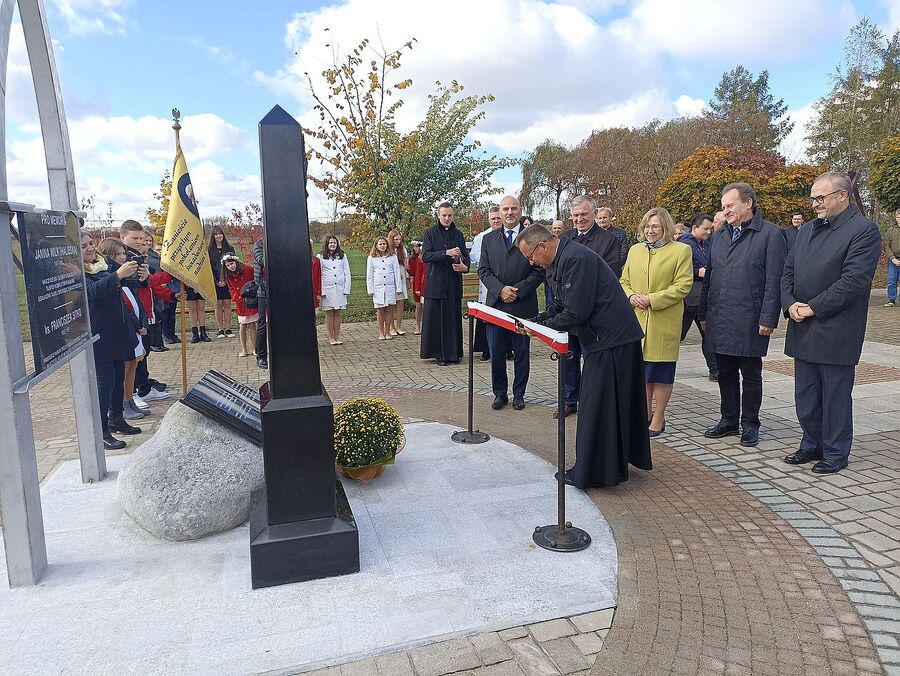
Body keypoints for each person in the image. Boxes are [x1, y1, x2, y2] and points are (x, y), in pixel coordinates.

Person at [518, 225, 651, 488]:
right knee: (607, 406)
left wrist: (541, 329)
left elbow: (577, 312)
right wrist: (536, 321)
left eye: (530, 256)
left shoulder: (575, 259)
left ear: (542, 246)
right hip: (609, 340)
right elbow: (561, 304)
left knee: (595, 408)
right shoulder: (564, 259)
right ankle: (611, 464)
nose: (531, 262)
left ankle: (592, 472)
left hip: (612, 341)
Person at [782, 172, 882, 474]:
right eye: (813, 198)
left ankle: (836, 452)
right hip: (802, 323)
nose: (814, 204)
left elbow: (853, 282)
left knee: (835, 395)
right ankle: (810, 443)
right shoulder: (807, 230)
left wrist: (812, 307)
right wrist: (789, 305)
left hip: (837, 328)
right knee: (806, 394)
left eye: (820, 197)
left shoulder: (864, 231)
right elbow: (787, 272)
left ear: (843, 195)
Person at [699, 182, 787, 447]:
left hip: (750, 317)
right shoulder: (719, 235)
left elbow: (774, 280)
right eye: (723, 207)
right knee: (724, 371)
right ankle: (728, 419)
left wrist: (768, 318)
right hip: (720, 316)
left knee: (750, 373)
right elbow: (711, 277)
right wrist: (704, 314)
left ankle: (750, 423)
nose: (725, 211)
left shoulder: (771, 234)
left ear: (748, 203)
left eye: (730, 205)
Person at [621, 208, 693, 436]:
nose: (650, 231)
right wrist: (631, 296)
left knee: (660, 373)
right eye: (647, 226)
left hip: (663, 320)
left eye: (655, 227)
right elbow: (624, 280)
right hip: (637, 322)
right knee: (642, 373)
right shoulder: (635, 250)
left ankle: (659, 418)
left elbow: (683, 285)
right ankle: (644, 414)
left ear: (666, 228)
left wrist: (652, 299)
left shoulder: (681, 250)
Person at [553, 196, 622, 419]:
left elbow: (611, 271)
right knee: (568, 358)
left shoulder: (608, 240)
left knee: (593, 363)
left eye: (584, 214)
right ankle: (569, 400)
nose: (579, 219)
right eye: (575, 215)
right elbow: (552, 270)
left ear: (593, 214)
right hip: (568, 310)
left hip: (593, 315)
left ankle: (594, 405)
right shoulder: (564, 238)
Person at [478, 195, 545, 411]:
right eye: (505, 209)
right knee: (496, 353)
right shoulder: (489, 239)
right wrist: (500, 290)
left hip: (522, 305)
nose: (509, 213)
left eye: (513, 208)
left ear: (520, 210)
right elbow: (483, 270)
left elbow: (538, 270)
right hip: (496, 306)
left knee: (521, 353)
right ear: (499, 212)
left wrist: (518, 291)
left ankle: (519, 394)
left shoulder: (530, 238)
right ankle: (500, 394)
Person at [82, 232, 143, 449]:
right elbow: (93, 291)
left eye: (91, 243)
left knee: (118, 379)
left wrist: (140, 277)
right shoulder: (75, 271)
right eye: (83, 246)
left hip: (117, 331)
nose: (90, 248)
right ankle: (102, 431)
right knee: (104, 385)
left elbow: (123, 281)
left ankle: (117, 419)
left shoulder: (102, 263)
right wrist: (117, 276)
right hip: (99, 335)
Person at [97, 238, 148, 421]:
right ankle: (118, 410)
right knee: (117, 375)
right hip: (117, 331)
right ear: (107, 256)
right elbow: (123, 306)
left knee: (129, 368)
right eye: (118, 254)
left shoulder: (121, 276)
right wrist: (137, 324)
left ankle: (126, 403)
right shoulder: (105, 275)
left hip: (128, 330)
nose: (122, 257)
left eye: (123, 254)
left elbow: (136, 295)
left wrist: (143, 278)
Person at [420, 202, 470, 365]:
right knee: (437, 321)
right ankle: (439, 354)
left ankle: (454, 354)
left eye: (449, 215)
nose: (447, 218)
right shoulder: (430, 233)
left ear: (453, 216)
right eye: (444, 215)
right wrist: (445, 253)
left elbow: (466, 258)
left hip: (453, 284)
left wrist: (464, 267)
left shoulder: (459, 235)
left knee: (453, 320)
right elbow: (426, 256)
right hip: (436, 283)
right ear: (438, 216)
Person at [678, 213, 718, 380]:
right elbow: (679, 267)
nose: (709, 232)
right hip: (688, 298)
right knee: (677, 334)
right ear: (694, 228)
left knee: (708, 335)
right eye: (705, 229)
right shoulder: (684, 244)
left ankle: (715, 369)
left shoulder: (705, 244)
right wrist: (697, 271)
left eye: (711, 229)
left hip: (703, 297)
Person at [469, 206, 502, 360]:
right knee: (488, 315)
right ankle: (486, 348)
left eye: (498, 218)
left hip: (506, 282)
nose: (496, 221)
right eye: (493, 218)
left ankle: (507, 349)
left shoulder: (511, 235)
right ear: (489, 219)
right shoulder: (482, 237)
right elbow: (476, 258)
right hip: (488, 280)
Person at [367, 236, 405, 340]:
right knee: (380, 310)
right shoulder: (371, 257)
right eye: (380, 244)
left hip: (390, 287)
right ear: (376, 245)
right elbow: (369, 275)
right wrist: (370, 289)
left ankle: (388, 331)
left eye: (384, 244)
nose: (382, 246)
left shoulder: (392, 257)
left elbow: (397, 273)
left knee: (389, 309)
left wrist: (398, 288)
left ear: (387, 245)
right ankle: (381, 332)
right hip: (378, 288)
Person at [221, 253, 258, 357]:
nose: (230, 267)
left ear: (236, 261)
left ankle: (255, 348)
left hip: (251, 300)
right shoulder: (228, 276)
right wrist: (236, 297)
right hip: (240, 302)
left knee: (252, 324)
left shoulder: (248, 269)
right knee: (243, 324)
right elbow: (231, 288)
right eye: (228, 266)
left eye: (232, 264)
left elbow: (256, 280)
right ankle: (244, 349)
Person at [318, 234, 352, 345]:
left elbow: (347, 272)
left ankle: (337, 336)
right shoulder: (321, 256)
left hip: (340, 289)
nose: (332, 244)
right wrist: (321, 290)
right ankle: (331, 337)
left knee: (337, 312)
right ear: (327, 244)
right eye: (330, 243)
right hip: (327, 289)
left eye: (334, 242)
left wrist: (347, 288)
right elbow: (320, 274)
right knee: (330, 313)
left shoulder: (342, 256)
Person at [208, 225, 236, 338]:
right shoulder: (209, 250)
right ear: (213, 236)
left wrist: (226, 279)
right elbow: (208, 268)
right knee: (218, 305)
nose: (219, 236)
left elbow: (234, 265)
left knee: (227, 303)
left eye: (220, 233)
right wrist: (216, 281)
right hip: (215, 281)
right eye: (216, 234)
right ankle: (220, 329)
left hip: (228, 281)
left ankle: (228, 329)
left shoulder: (230, 248)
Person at [386, 229, 410, 336]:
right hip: (391, 280)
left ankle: (399, 326)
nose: (398, 242)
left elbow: (406, 265)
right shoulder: (387, 251)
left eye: (399, 239)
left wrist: (408, 278)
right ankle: (391, 327)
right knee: (391, 303)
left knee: (400, 302)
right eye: (396, 239)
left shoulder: (403, 250)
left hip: (401, 278)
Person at [253, 238, 268, 368]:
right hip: (263, 290)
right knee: (262, 323)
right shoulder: (259, 244)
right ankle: (261, 356)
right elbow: (262, 261)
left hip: (280, 289)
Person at [408, 241, 426, 335]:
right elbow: (415, 272)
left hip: (425, 283)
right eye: (414, 247)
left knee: (425, 306)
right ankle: (417, 325)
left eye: (418, 246)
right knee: (418, 305)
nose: (416, 249)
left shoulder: (424, 257)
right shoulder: (413, 258)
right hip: (418, 283)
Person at [884, 208, 900, 307]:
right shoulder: (891, 230)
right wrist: (893, 258)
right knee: (891, 281)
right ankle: (891, 300)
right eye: (898, 217)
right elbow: (886, 245)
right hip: (893, 260)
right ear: (895, 217)